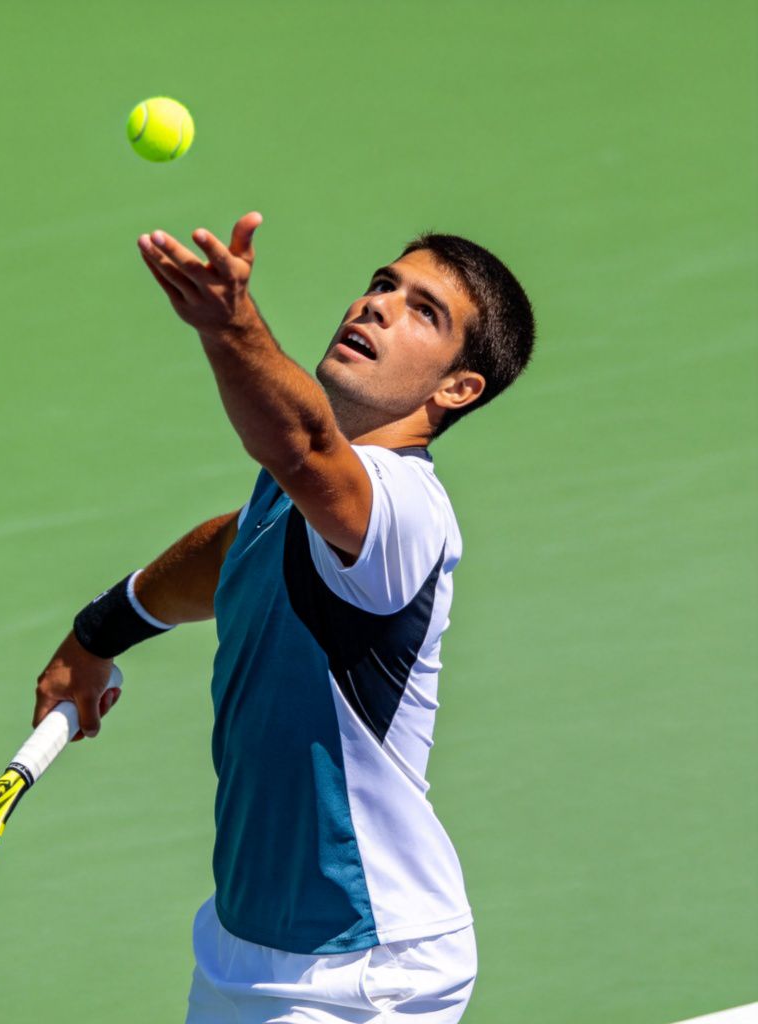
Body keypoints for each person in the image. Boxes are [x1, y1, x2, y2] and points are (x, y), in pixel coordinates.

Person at [34, 212, 535, 1023]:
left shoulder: (405, 511)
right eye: (382, 284)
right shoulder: (298, 491)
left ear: (457, 388)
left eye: (423, 311)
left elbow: (300, 444)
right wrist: (99, 632)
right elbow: (233, 549)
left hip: (365, 971)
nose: (376, 306)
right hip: (243, 949)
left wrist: (232, 326)